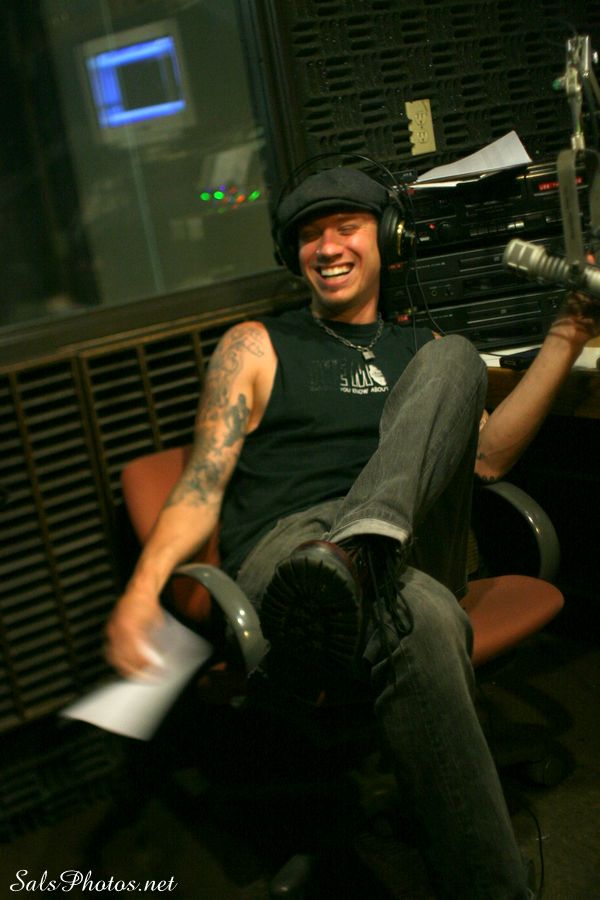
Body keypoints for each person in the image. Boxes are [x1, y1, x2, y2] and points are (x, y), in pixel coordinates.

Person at [106, 166, 599, 898]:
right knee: (423, 615)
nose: (328, 246)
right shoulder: (256, 345)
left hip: (408, 548)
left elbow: (488, 459)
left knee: (457, 356)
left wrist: (567, 334)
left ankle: (361, 548)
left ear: (387, 239)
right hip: (293, 554)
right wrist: (141, 593)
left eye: (346, 227)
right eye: (310, 234)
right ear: (292, 255)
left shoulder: (424, 349)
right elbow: (200, 487)